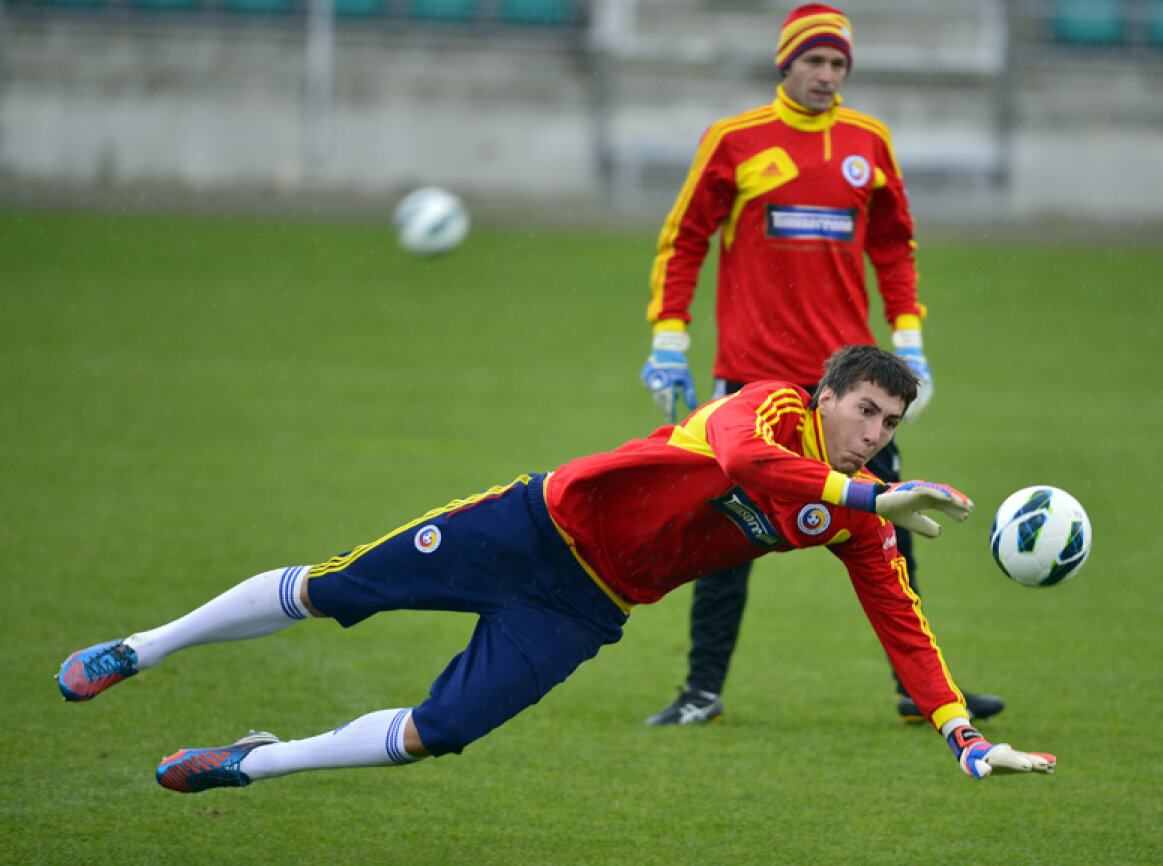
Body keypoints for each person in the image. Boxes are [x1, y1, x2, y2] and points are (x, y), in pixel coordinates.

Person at [58, 346, 1052, 793]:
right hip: (533, 523)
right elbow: (749, 465)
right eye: (865, 412)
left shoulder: (860, 507)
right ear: (826, 393)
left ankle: (246, 761)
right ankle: (140, 650)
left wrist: (958, 731)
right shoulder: (766, 409)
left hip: (584, 606)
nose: (875, 435)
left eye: (890, 425)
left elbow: (903, 622)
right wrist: (873, 496)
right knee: (329, 588)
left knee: (431, 735)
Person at [639, 3, 1003, 726]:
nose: (827, 76)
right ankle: (701, 692)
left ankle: (921, 692)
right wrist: (668, 338)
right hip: (749, 380)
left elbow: (894, 243)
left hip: (852, 387)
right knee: (726, 537)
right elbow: (686, 239)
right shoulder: (735, 140)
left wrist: (909, 337)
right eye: (814, 61)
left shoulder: (869, 142)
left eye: (838, 64)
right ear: (786, 64)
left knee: (892, 534)